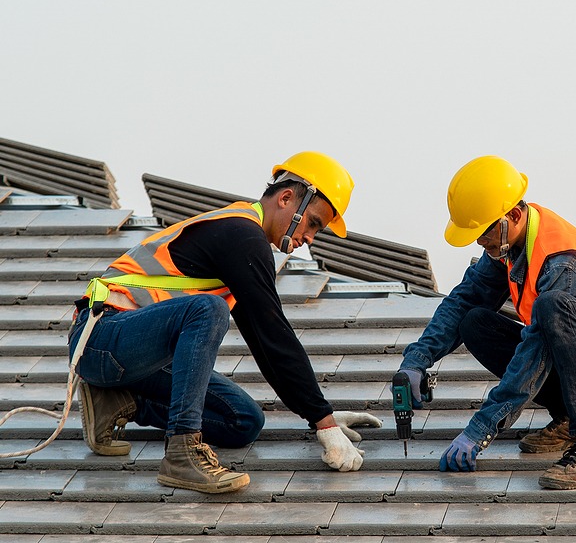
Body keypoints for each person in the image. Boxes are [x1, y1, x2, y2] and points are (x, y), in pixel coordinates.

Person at [68, 151, 381, 494]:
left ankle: (118, 400)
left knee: (243, 420)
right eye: (314, 223)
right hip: (100, 338)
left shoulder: (242, 240)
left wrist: (321, 417)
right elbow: (275, 335)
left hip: (132, 355)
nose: (310, 238)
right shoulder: (241, 235)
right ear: (287, 198)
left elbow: (265, 342)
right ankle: (182, 453)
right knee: (209, 309)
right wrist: (324, 423)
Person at [396, 156, 576, 489]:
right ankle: (571, 415)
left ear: (513, 215)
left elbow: (536, 348)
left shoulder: (562, 262)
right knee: (474, 322)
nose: (479, 241)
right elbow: (463, 301)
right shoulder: (510, 243)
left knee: (552, 306)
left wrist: (482, 428)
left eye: (483, 230)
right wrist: (417, 360)